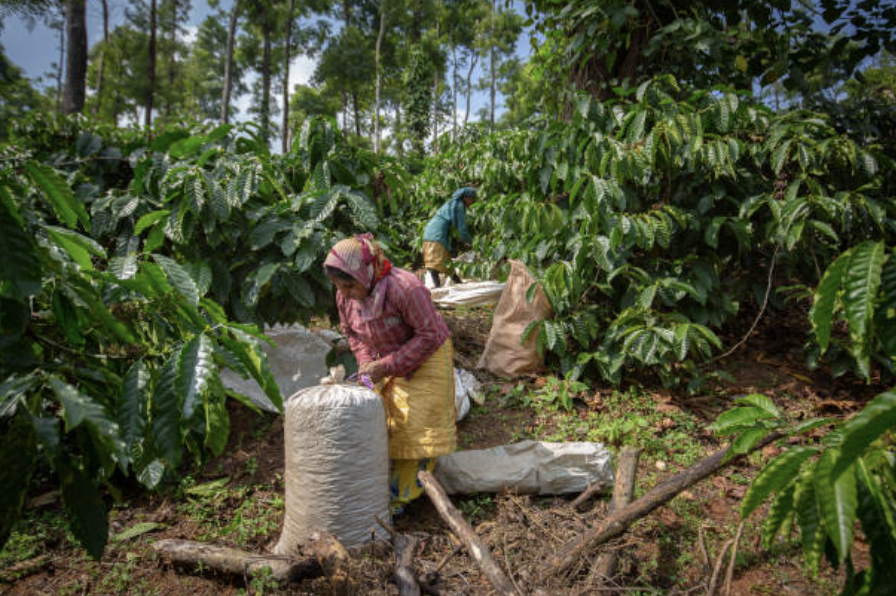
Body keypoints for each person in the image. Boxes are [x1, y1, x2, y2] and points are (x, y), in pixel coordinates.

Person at [324, 233, 456, 514]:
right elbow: (351, 332)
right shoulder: (344, 294)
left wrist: (386, 365)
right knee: (376, 414)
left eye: (348, 285)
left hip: (427, 354)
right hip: (381, 358)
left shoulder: (405, 288)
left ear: (368, 271)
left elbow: (429, 335)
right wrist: (365, 361)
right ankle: (378, 478)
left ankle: (401, 496)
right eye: (338, 286)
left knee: (415, 426)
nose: (344, 293)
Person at [421, 186, 478, 288]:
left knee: (446, 263)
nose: (472, 202)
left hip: (430, 233)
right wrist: (471, 242)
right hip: (436, 235)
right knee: (435, 264)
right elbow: (462, 229)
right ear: (466, 197)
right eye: (471, 199)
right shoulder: (459, 205)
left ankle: (459, 285)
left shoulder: (453, 203)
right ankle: (439, 288)